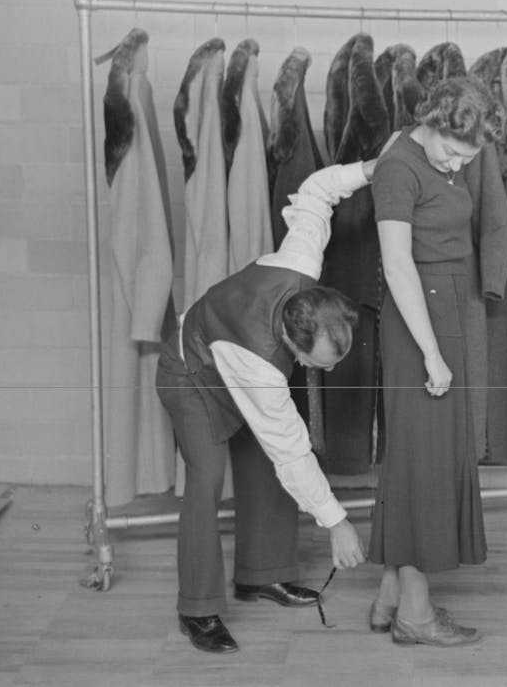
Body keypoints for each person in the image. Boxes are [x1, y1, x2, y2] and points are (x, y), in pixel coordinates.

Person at [156, 156, 387, 655]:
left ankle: (262, 576)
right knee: (206, 481)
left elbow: (316, 191)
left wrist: (369, 168)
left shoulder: (300, 263)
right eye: (315, 362)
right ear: (290, 336)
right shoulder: (261, 367)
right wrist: (337, 523)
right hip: (192, 377)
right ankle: (197, 610)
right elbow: (292, 451)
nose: (323, 370)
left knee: (265, 469)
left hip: (231, 363)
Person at [368, 76, 504, 647]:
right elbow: (397, 265)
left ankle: (390, 598)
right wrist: (431, 353)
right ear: (433, 118)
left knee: (418, 454)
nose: (457, 163)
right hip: (416, 319)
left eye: (468, 157)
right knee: (421, 460)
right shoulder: (398, 166)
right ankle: (416, 616)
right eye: (452, 149)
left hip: (443, 309)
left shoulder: (439, 154)